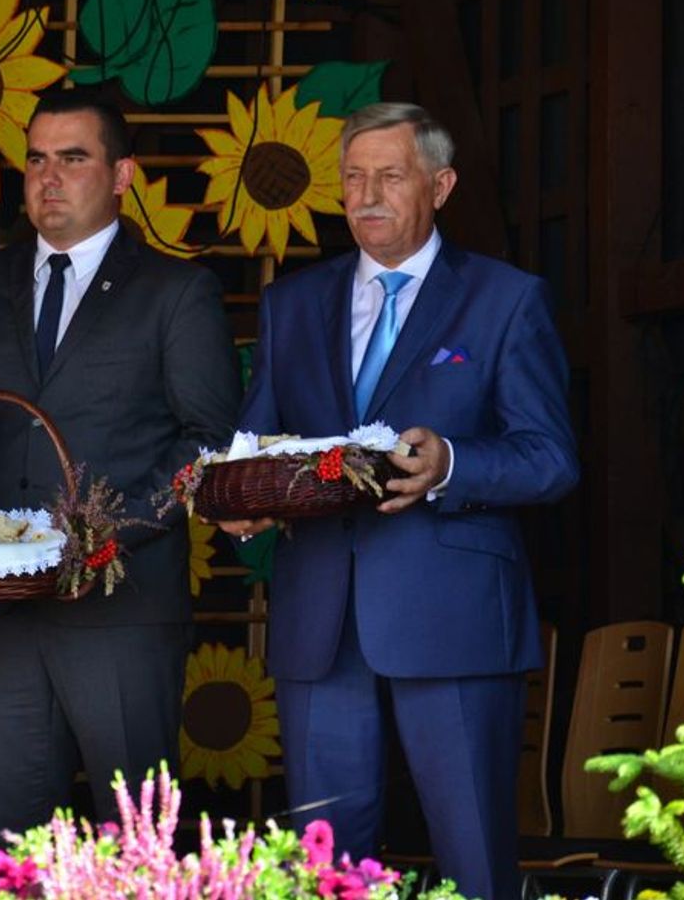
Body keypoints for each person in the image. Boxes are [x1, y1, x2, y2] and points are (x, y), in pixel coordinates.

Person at [218, 102, 579, 900]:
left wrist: (451, 463)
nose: (367, 194)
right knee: (323, 874)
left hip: (455, 619)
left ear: (440, 186)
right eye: (353, 176)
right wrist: (244, 497)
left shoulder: (505, 298)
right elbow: (257, 443)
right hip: (320, 622)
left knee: (474, 862)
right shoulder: (291, 303)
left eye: (390, 175)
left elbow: (551, 458)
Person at [0, 90, 242, 837]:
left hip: (121, 605)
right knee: (16, 838)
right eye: (35, 160)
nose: (48, 178)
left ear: (122, 175)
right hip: (3, 611)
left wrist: (102, 538)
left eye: (72, 158)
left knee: (137, 837)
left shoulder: (176, 290)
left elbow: (208, 441)